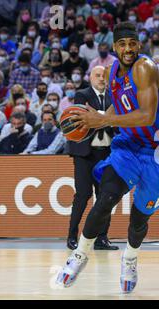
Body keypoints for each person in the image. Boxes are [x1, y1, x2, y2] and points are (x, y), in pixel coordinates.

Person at [57, 22, 159, 294]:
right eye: (122, 44)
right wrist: (98, 120)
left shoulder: (145, 68)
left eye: (132, 43)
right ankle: (79, 256)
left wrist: (101, 119)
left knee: (138, 220)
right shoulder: (112, 70)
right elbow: (117, 105)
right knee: (105, 199)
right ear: (114, 46)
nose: (128, 49)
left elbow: (146, 115)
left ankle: (130, 258)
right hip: (129, 146)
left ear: (138, 45)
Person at [65, 66, 117, 251]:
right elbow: (84, 118)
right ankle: (72, 235)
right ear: (90, 77)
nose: (102, 78)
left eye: (104, 75)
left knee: (106, 196)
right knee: (83, 195)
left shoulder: (114, 96)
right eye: (98, 75)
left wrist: (103, 118)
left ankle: (102, 238)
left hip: (107, 154)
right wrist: (109, 117)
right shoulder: (82, 94)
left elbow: (117, 121)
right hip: (85, 154)